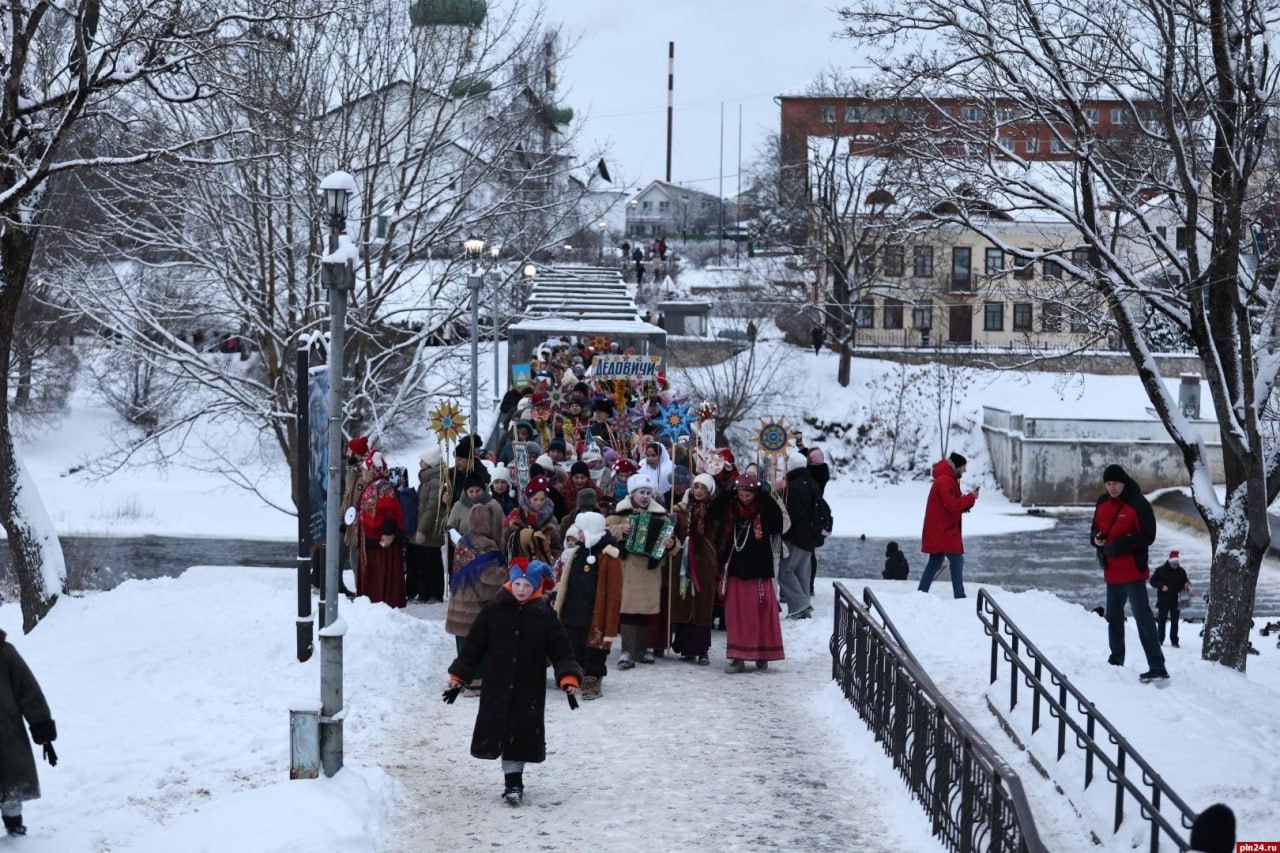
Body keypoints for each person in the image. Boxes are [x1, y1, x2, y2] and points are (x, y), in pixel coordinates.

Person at [445, 559, 581, 806]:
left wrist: (568, 677)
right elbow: (473, 647)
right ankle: (512, 781)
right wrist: (459, 677)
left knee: (520, 733)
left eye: (527, 585)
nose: (521, 589)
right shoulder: (492, 611)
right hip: (497, 685)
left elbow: (562, 650)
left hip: (528, 688)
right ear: (510, 583)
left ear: (536, 588)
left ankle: (514, 783)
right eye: (517, 583)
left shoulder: (545, 616)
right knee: (501, 730)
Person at [1091, 463, 1167, 682]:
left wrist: (1119, 545)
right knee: (1113, 617)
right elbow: (1095, 528)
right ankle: (1116, 660)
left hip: (1133, 571)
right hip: (1112, 571)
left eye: (1116, 484)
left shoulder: (1138, 504)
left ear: (1124, 483)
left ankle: (1157, 666)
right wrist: (1096, 539)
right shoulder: (1102, 502)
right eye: (1108, 484)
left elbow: (1148, 535)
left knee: (1143, 618)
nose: (1112, 488)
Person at [606, 472, 681, 668]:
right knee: (629, 610)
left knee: (644, 611)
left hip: (650, 569)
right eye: (641, 492)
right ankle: (627, 651)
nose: (645, 496)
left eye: (648, 492)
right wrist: (620, 530)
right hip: (628, 567)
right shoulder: (619, 513)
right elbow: (604, 532)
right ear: (632, 493)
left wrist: (671, 543)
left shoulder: (661, 516)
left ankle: (641, 649)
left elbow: (674, 545)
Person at [553, 512, 624, 700]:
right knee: (573, 645)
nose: (579, 535)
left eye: (582, 531)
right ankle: (575, 675)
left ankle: (593, 680)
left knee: (595, 648)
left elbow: (614, 592)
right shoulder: (578, 552)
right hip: (573, 610)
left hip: (595, 612)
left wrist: (610, 620)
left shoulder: (609, 556)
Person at [720, 473, 786, 672]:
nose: (744, 498)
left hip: (759, 570)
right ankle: (738, 657)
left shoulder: (764, 508)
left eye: (749, 494)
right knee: (737, 615)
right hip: (737, 570)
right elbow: (714, 512)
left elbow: (778, 525)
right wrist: (727, 491)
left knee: (761, 612)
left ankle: (762, 653)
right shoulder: (731, 506)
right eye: (741, 493)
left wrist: (765, 495)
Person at [445, 497, 508, 696]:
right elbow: (488, 575)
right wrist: (508, 573)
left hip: (460, 603)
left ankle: (461, 677)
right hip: (476, 607)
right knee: (478, 644)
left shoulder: (463, 541)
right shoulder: (486, 544)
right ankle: (475, 680)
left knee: (463, 645)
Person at [0, 630, 57, 836]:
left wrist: (42, 727)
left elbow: (28, 692)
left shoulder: (4, 653)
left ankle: (14, 827)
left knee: (10, 785)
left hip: (5, 734)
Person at [671, 473, 722, 665]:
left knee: (703, 602)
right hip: (683, 559)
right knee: (684, 599)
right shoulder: (681, 509)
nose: (699, 491)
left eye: (703, 488)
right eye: (696, 487)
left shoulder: (714, 510)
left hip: (706, 561)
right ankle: (685, 646)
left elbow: (719, 537)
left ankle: (702, 648)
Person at [918, 452, 979, 599]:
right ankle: (959, 596)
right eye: (963, 468)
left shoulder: (947, 480)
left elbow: (952, 504)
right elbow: (952, 505)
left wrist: (968, 502)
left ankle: (920, 593)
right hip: (944, 531)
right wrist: (970, 497)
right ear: (956, 467)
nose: (964, 471)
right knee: (957, 561)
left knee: (935, 562)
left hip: (940, 529)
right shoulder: (945, 481)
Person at [357, 449, 407, 608]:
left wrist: (388, 533)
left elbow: (390, 511)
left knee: (381, 574)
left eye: (365, 470)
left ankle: (384, 603)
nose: (363, 474)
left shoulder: (384, 488)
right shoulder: (370, 487)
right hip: (370, 540)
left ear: (373, 470)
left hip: (382, 542)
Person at [778, 450, 824, 619]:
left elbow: (791, 514)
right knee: (802, 572)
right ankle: (803, 606)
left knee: (785, 571)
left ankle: (799, 606)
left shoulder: (795, 487)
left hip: (796, 537)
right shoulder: (811, 483)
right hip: (809, 537)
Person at [407, 446, 448, 603]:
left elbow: (432, 508)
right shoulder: (426, 480)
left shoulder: (435, 482)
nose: (420, 463)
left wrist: (422, 529)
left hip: (430, 530)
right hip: (424, 528)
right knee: (422, 562)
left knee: (432, 562)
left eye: (422, 461)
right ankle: (424, 593)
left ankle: (434, 593)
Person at [1150, 550, 1192, 647]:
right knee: (1161, 621)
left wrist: (1188, 588)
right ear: (1170, 561)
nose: (1175, 564)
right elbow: (1152, 581)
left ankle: (1174, 641)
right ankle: (1159, 640)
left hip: (1177, 600)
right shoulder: (1160, 570)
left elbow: (1185, 582)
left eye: (1176, 563)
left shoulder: (1181, 571)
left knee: (1175, 622)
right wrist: (1161, 586)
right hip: (1163, 599)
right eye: (1173, 563)